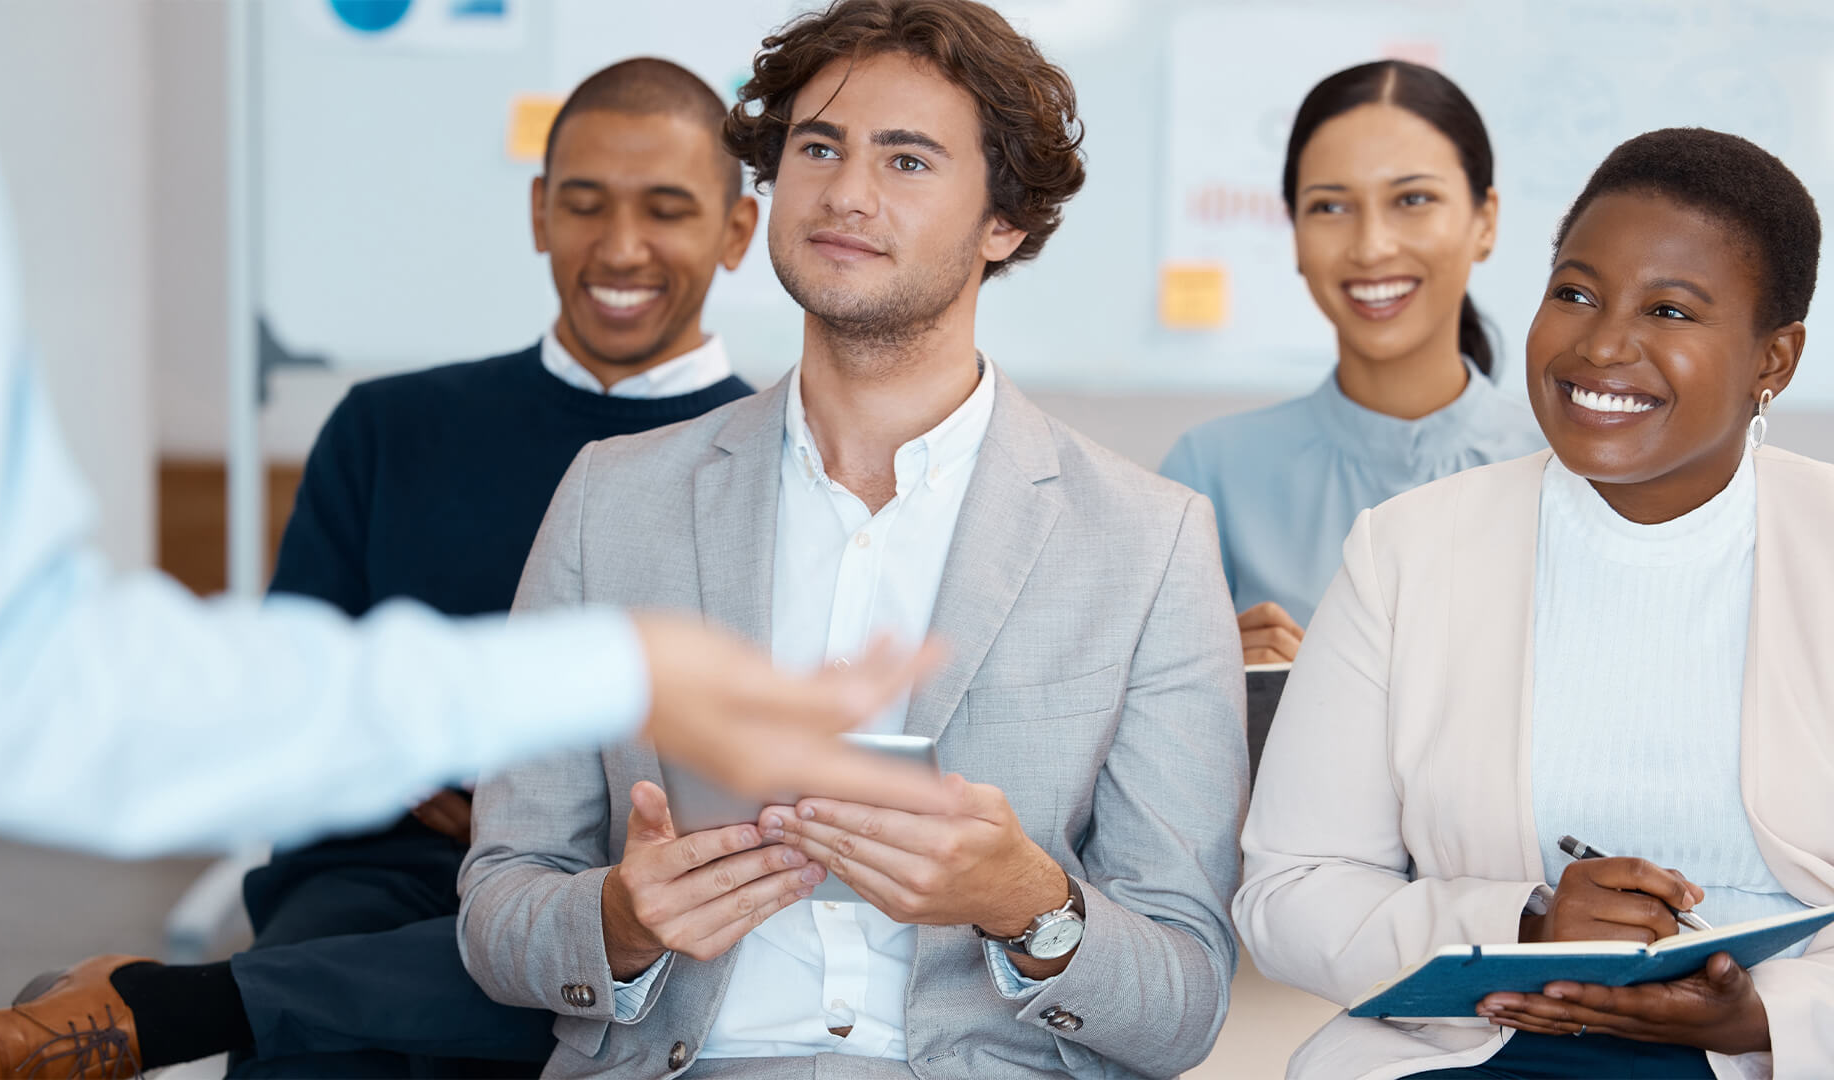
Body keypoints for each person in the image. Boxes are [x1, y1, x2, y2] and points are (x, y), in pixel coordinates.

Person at [0, 11, 948, 1074]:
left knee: (580, 958)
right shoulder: (389, 428)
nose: (621, 247)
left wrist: (535, 827)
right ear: (540, 214)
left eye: (668, 211)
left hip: (619, 867)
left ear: (735, 233)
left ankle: (177, 1010)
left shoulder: (781, 454)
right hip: (384, 853)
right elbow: (285, 666)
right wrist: (444, 788)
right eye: (584, 204)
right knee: (377, 981)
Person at [458, 2, 1249, 1076]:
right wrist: (621, 919)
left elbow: (1185, 1001)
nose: (846, 193)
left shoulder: (1148, 543)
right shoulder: (612, 501)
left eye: (908, 160)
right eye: (818, 147)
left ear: (1002, 220)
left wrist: (1027, 905)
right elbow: (497, 909)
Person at [1236, 127, 1833, 1079]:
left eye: (1671, 310)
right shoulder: (1406, 550)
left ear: (1776, 359)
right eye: (1576, 293)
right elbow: (1291, 894)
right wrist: (1527, 919)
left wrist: (1766, 1015)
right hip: (1476, 1053)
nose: (1602, 345)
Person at [1160, 61, 1543, 664]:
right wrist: (1206, 679)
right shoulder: (1209, 478)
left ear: (1485, 221)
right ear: (1294, 233)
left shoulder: (1571, 470)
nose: (1370, 247)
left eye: (1413, 199)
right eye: (1331, 208)